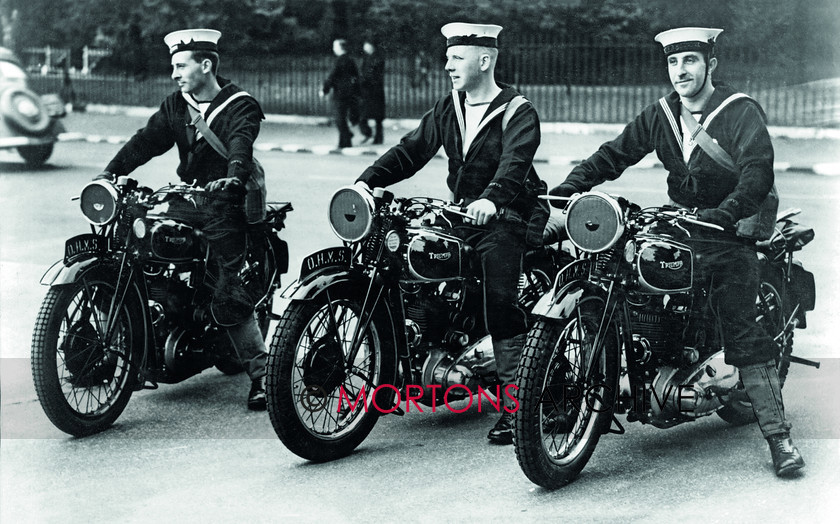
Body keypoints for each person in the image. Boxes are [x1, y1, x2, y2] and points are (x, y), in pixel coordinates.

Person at [548, 27, 804, 477]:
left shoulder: (738, 111)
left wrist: (726, 213)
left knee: (742, 326)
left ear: (711, 66)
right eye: (673, 62)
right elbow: (614, 155)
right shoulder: (661, 114)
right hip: (679, 224)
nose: (681, 71)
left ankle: (779, 438)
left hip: (725, 232)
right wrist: (569, 188)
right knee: (625, 277)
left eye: (690, 61)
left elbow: (757, 171)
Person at [356, 22, 549, 445]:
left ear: (485, 60)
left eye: (456, 57)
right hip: (462, 213)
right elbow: (412, 149)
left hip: (510, 214)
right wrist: (368, 181)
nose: (447, 65)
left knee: (500, 297)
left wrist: (493, 199)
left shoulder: (517, 110)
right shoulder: (450, 107)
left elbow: (515, 162)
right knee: (410, 262)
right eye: (448, 57)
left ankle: (517, 404)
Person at [95, 29, 268, 411]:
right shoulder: (176, 104)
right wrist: (109, 173)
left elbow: (241, 140)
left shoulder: (241, 104)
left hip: (228, 200)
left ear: (205, 65)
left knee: (228, 285)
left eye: (180, 65)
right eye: (172, 66)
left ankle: (262, 374)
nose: (174, 72)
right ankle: (137, 347)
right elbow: (146, 141)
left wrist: (234, 177)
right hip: (191, 196)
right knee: (139, 243)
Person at [321, 39, 360, 148]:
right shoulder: (350, 60)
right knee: (342, 118)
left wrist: (324, 90)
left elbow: (332, 77)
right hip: (350, 93)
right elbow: (356, 76)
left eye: (335, 46)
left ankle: (346, 140)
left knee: (339, 118)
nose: (333, 48)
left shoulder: (339, 61)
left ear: (340, 48)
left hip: (340, 93)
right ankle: (344, 141)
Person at [358, 37, 386, 145]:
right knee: (374, 116)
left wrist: (362, 80)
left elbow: (370, 75)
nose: (364, 47)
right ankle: (375, 136)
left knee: (367, 115)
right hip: (373, 91)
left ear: (370, 46)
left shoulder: (375, 59)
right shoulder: (369, 57)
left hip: (371, 91)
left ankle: (372, 135)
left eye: (366, 44)